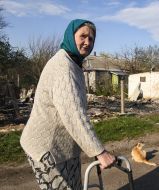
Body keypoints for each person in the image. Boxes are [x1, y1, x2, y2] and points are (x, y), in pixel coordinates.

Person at [20, 19, 116, 190]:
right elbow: (74, 115)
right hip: (47, 147)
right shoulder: (63, 67)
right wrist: (99, 152)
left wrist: (93, 148)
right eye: (83, 36)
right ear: (71, 37)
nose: (87, 42)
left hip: (65, 147)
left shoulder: (74, 63)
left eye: (91, 39)